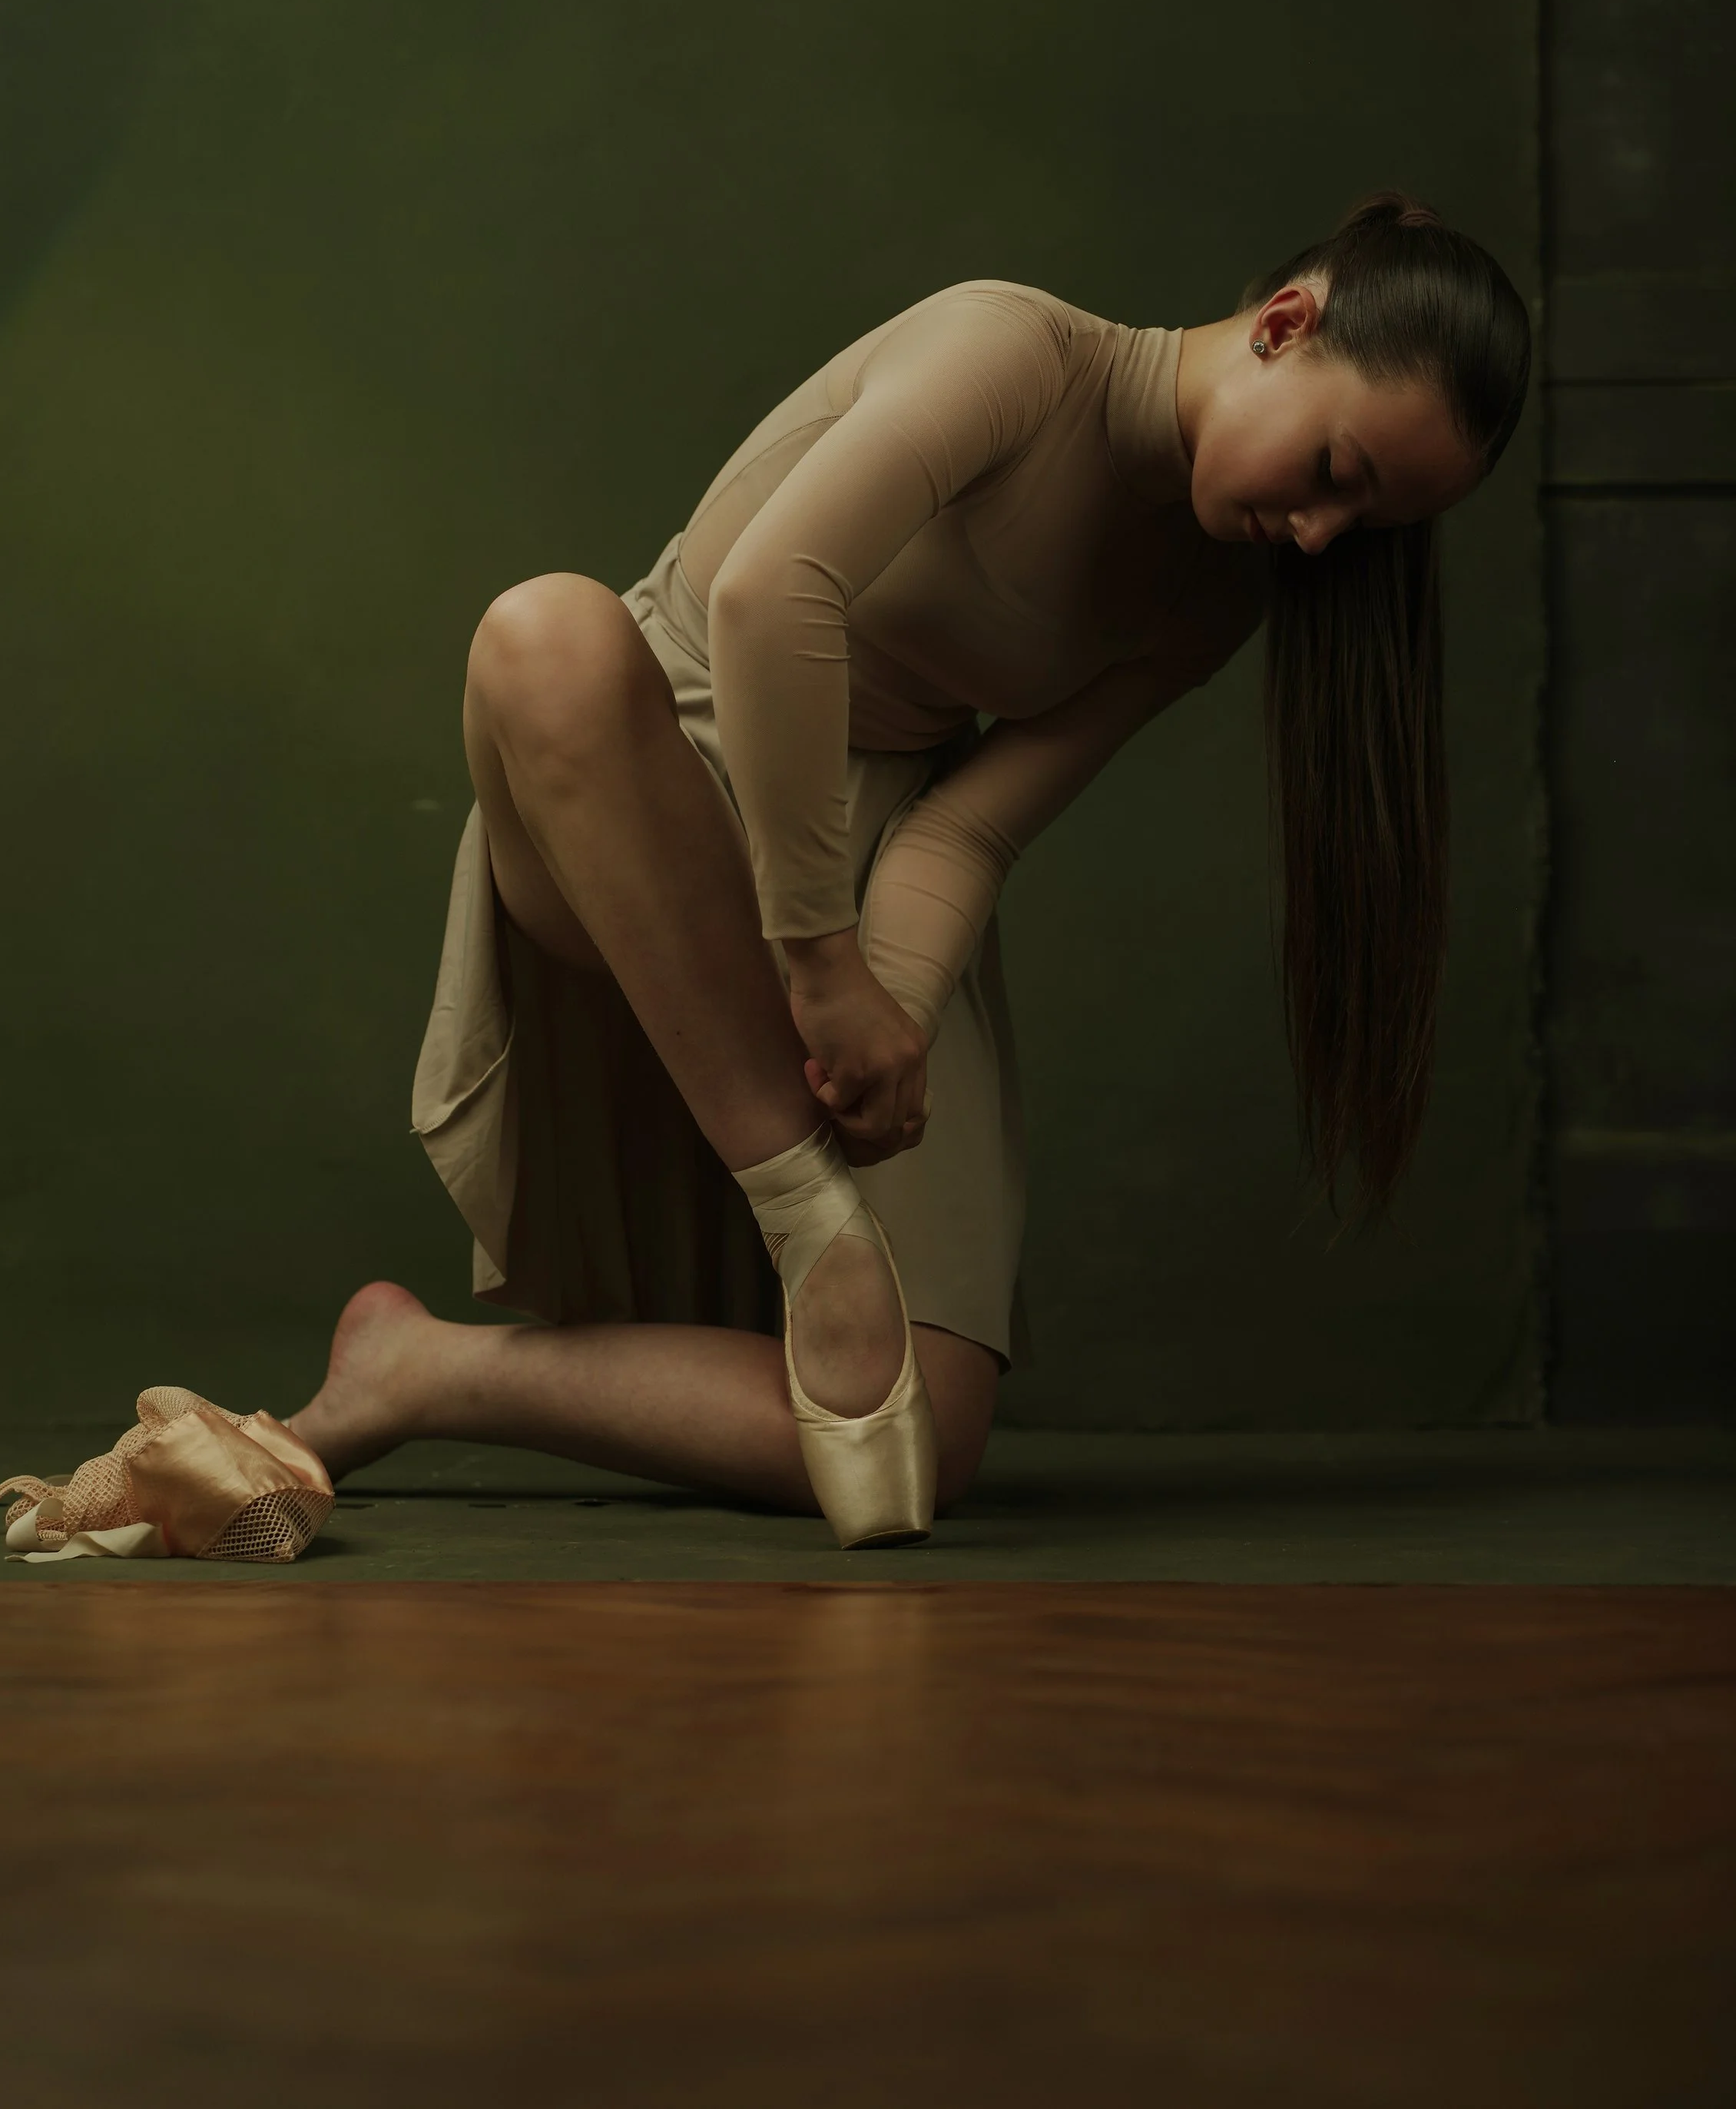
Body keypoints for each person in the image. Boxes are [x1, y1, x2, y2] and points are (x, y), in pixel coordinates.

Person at [290, 191, 1531, 1544]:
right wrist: (820, 966)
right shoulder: (1013, 351)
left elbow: (970, 826)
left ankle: (416, 1370)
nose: (1318, 538)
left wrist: (895, 1013)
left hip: (875, 866)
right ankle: (799, 1204)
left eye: (1367, 526)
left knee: (920, 1438)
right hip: (647, 781)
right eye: (1338, 475)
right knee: (547, 635)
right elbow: (775, 595)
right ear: (1287, 327)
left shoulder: (1217, 591)